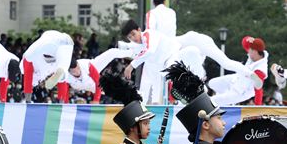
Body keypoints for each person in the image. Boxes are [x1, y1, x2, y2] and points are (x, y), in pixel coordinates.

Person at [121, 20, 258, 104]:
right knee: (178, 70)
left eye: (133, 34)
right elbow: (139, 55)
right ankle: (198, 91)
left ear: (139, 29)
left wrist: (131, 66)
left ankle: (250, 74)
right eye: (129, 37)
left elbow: (148, 51)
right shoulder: (142, 50)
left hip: (196, 41)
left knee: (225, 62)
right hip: (187, 52)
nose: (133, 38)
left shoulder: (149, 35)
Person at [207, 35, 268, 106]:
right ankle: (224, 101)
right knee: (211, 83)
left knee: (213, 100)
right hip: (235, 79)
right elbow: (244, 42)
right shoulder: (256, 53)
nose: (248, 51)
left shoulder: (260, 70)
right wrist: (250, 40)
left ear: (255, 51)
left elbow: (258, 89)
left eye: (250, 50)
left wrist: (258, 107)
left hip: (240, 92)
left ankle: (224, 100)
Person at [21, 30, 74, 103]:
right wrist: (61, 101)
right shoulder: (32, 53)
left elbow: (28, 81)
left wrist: (28, 100)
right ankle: (62, 74)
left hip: (47, 50)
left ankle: (62, 74)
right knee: (62, 68)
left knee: (62, 69)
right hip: (61, 39)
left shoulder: (28, 59)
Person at [65, 47, 133, 103]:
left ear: (78, 65)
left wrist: (96, 100)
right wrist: (65, 102)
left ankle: (134, 53)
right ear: (69, 71)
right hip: (79, 85)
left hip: (93, 73)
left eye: (77, 69)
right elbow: (63, 89)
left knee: (112, 52)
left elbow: (98, 82)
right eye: (74, 72)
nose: (77, 72)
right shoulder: (65, 74)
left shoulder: (86, 65)